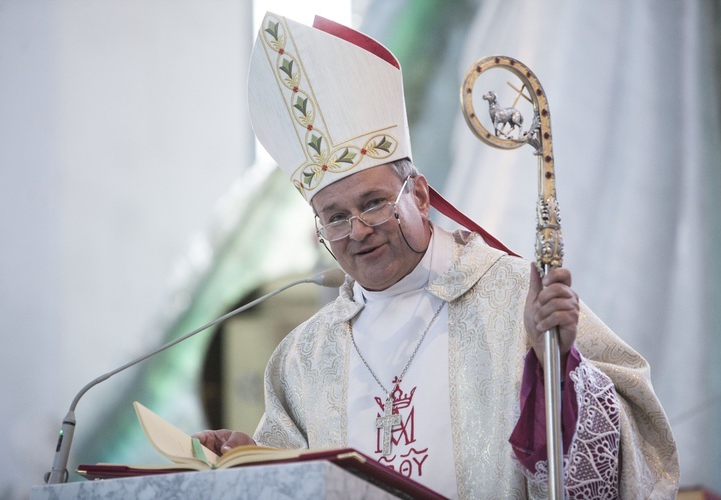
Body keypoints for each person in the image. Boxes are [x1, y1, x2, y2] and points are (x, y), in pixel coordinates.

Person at [194, 12, 679, 498]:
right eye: (335, 217)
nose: (358, 230)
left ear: (420, 196)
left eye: (374, 202)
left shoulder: (513, 294)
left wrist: (554, 364)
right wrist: (255, 463)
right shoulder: (302, 358)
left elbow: (631, 441)